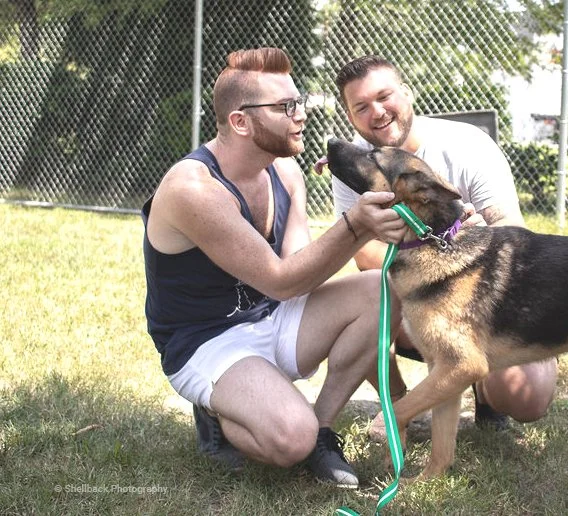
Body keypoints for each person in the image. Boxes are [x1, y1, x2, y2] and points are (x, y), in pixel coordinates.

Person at [141, 48, 407, 488]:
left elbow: (299, 272)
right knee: (289, 439)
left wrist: (376, 223)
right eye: (285, 107)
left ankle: (321, 431)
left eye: (298, 102)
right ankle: (220, 411)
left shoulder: (285, 172)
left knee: (385, 289)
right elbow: (282, 281)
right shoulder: (193, 189)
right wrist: (356, 224)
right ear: (241, 122)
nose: (300, 115)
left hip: (272, 315)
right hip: (207, 341)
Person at [329, 55, 558, 432]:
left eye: (385, 96)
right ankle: (401, 400)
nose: (378, 112)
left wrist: (477, 235)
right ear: (351, 117)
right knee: (366, 295)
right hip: (414, 299)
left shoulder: (467, 144)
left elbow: (514, 232)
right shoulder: (358, 164)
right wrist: (434, 252)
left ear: (407, 93)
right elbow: (367, 256)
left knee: (526, 396)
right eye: (362, 107)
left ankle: (485, 394)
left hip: (480, 301)